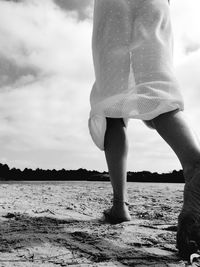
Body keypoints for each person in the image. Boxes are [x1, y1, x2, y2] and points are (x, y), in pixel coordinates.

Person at [88, 0, 200, 260]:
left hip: (112, 8)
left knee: (111, 105)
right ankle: (194, 164)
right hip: (153, 4)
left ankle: (119, 206)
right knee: (157, 94)